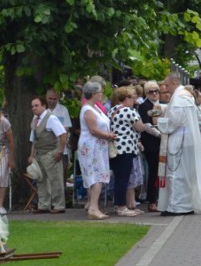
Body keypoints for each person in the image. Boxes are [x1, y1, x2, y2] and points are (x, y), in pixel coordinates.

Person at [156, 75, 201, 215]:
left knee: (176, 173)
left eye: (167, 86)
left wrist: (160, 122)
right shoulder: (186, 95)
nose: (166, 90)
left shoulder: (179, 97)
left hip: (179, 140)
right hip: (187, 139)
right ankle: (186, 204)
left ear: (174, 83)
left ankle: (177, 206)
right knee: (185, 173)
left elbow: (175, 120)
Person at [78, 81, 114, 219]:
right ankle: (93, 208)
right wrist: (109, 136)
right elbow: (93, 130)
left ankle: (94, 206)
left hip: (99, 146)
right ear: (93, 94)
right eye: (99, 92)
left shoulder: (95, 108)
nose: (102, 94)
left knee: (99, 175)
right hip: (91, 147)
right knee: (96, 176)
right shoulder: (87, 110)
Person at [108, 87, 146, 217]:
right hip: (127, 148)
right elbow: (140, 127)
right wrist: (147, 125)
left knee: (119, 178)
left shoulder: (112, 110)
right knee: (124, 178)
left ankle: (121, 204)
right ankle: (121, 207)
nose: (134, 100)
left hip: (115, 148)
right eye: (131, 97)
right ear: (126, 99)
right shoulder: (130, 111)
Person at [25, 97, 65, 214]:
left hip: (51, 153)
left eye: (36, 105)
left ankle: (59, 205)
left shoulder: (51, 118)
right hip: (39, 154)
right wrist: (32, 155)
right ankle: (43, 205)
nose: (34, 108)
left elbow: (62, 134)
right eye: (32, 106)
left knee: (55, 180)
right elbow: (34, 139)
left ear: (43, 106)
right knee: (40, 179)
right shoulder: (35, 119)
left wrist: (60, 151)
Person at [138, 81, 163, 213]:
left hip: (160, 143)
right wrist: (160, 135)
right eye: (151, 92)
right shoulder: (143, 106)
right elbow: (146, 126)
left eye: (156, 91)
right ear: (146, 93)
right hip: (151, 143)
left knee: (160, 171)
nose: (154, 94)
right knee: (154, 171)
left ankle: (159, 197)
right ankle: (152, 200)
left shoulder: (160, 105)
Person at [46, 88, 73, 176]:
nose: (52, 101)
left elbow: (66, 129)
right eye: (50, 99)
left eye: (54, 99)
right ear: (46, 98)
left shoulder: (63, 110)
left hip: (61, 149)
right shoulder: (43, 110)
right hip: (45, 149)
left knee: (61, 176)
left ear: (58, 98)